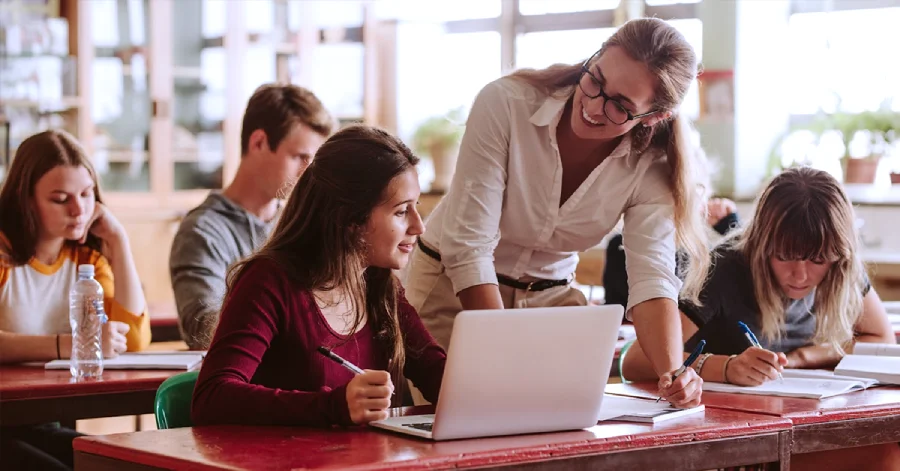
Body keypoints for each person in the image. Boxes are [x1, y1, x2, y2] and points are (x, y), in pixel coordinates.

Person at [403, 17, 708, 408]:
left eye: (620, 106)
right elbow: (468, 247)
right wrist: (497, 350)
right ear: (594, 57)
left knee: (556, 434)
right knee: (454, 424)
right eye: (596, 80)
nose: (594, 106)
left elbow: (652, 281)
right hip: (452, 290)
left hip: (547, 303)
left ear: (653, 117)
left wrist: (674, 374)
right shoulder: (506, 103)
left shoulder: (652, 166)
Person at [620, 167, 899, 471]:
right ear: (762, 244)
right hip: (729, 439)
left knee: (885, 454)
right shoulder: (723, 268)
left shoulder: (840, 264)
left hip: (799, 423)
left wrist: (803, 357)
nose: (801, 275)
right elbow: (633, 361)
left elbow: (878, 338)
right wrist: (725, 367)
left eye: (818, 260)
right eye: (785, 256)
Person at [191, 125, 446, 427]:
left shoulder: (380, 286)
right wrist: (333, 406)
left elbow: (437, 375)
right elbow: (211, 399)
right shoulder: (268, 281)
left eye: (416, 207)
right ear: (350, 219)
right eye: (402, 211)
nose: (419, 226)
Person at [0, 130, 151, 470]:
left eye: (86, 194)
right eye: (60, 198)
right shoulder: (3, 255)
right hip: (4, 422)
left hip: (46, 417)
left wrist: (119, 240)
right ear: (26, 200)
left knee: (121, 463)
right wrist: (67, 345)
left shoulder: (87, 260)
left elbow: (135, 340)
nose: (78, 209)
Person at [169, 83, 334, 350]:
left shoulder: (304, 225)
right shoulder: (201, 232)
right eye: (299, 157)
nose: (308, 172)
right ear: (258, 142)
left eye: (312, 161)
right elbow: (203, 330)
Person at [603, 197, 739, 307]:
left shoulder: (698, 251)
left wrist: (730, 225)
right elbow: (615, 306)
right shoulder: (619, 245)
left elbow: (740, 281)